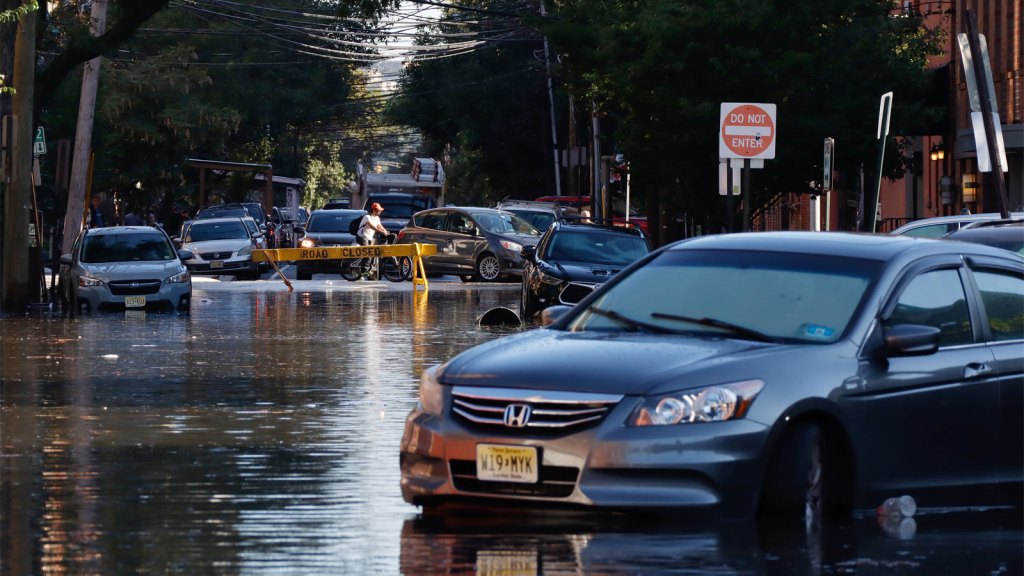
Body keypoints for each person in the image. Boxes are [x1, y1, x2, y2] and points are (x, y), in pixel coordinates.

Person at [356, 202, 389, 276]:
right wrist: (381, 232)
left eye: (380, 210)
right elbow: (372, 227)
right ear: (374, 210)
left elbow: (380, 226)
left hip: (369, 238)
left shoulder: (377, 218)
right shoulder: (367, 217)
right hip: (362, 236)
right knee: (368, 252)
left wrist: (386, 231)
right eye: (378, 210)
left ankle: (366, 266)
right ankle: (364, 270)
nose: (380, 212)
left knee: (373, 252)